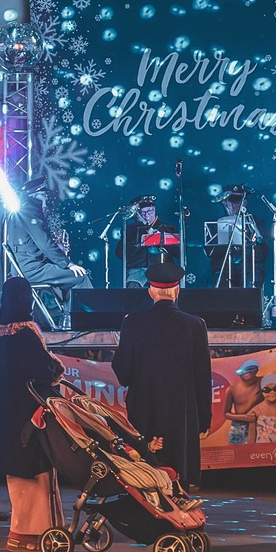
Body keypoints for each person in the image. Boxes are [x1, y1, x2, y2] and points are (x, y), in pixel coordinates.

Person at [111, 258, 216, 491]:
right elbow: (202, 376)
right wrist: (204, 417)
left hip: (145, 406)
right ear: (177, 291)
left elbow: (123, 372)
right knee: (179, 472)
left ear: (150, 291)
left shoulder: (133, 323)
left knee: (146, 467)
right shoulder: (195, 324)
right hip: (183, 411)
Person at [0, 278, 64, 552]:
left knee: (16, 476)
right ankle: (30, 533)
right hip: (31, 416)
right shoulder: (28, 335)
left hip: (5, 415)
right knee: (38, 474)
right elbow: (44, 371)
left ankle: (18, 531)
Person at [123, 196, 180, 286]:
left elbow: (178, 253)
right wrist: (140, 240)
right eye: (143, 213)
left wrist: (162, 240)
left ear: (154, 210)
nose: (146, 215)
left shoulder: (168, 228)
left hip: (162, 268)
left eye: (149, 211)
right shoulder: (130, 229)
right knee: (133, 284)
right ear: (137, 214)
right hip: (138, 269)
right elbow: (121, 254)